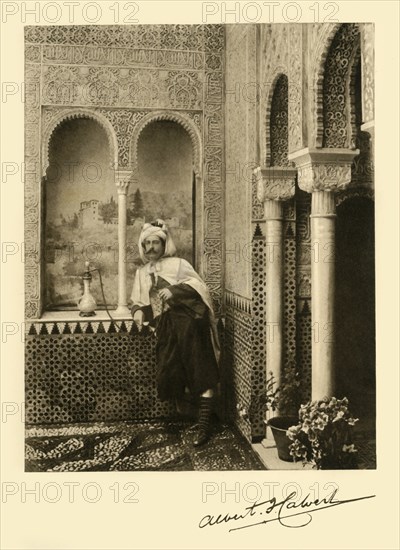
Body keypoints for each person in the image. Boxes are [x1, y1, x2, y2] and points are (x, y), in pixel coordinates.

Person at [130, 219, 220, 446]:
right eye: (147, 243)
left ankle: (204, 426)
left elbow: (201, 289)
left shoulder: (179, 264)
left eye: (155, 243)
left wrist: (175, 291)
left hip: (190, 326)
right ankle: (191, 417)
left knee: (201, 371)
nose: (151, 248)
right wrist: (138, 313)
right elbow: (138, 302)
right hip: (166, 329)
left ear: (164, 244)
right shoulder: (141, 273)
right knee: (171, 373)